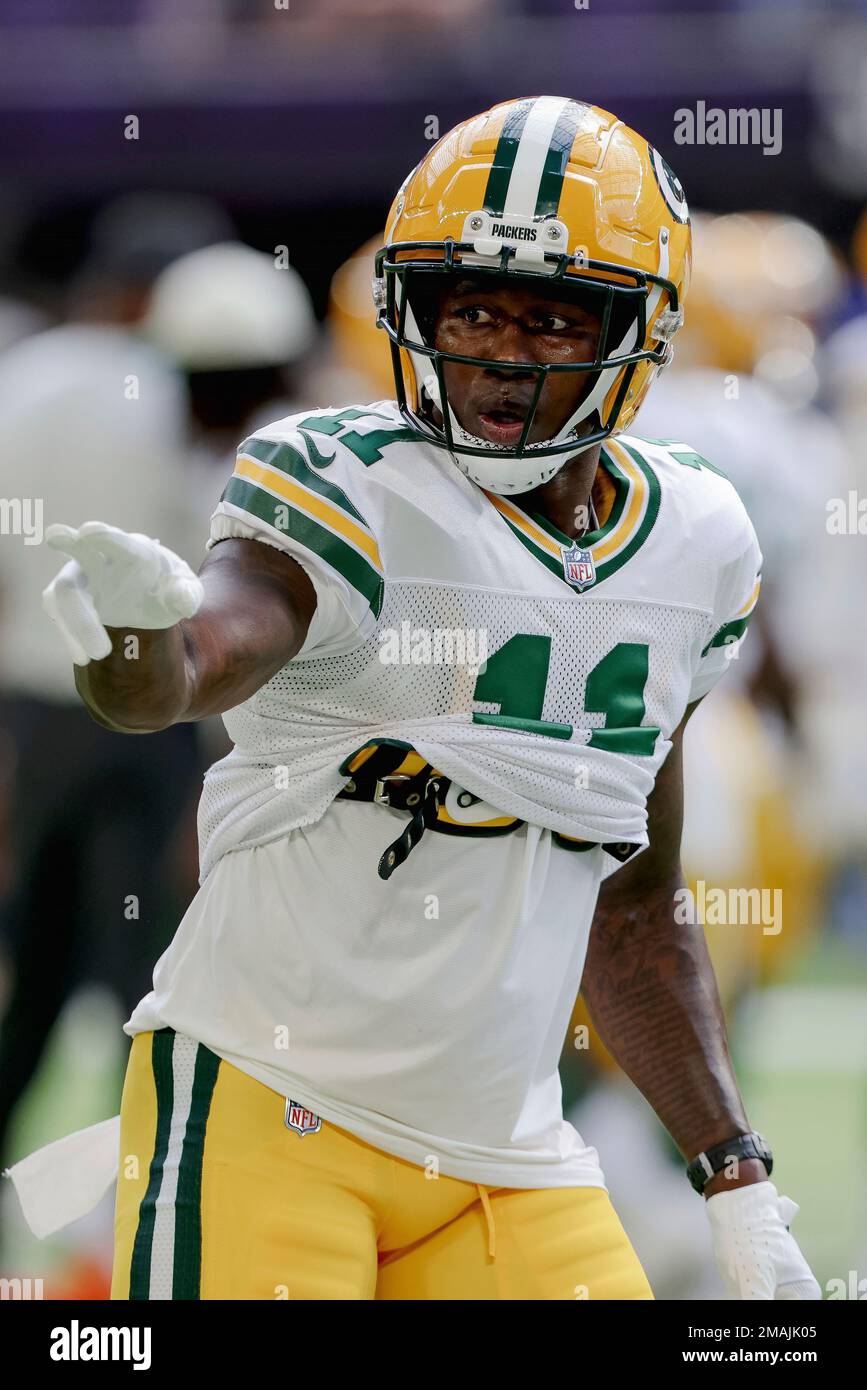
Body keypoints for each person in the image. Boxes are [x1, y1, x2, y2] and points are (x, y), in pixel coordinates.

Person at [32, 96, 819, 1301]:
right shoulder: (347, 481)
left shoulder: (695, 541)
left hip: (505, 1151)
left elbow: (632, 897)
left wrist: (737, 1173)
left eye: (554, 320)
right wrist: (136, 645)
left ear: (638, 333)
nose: (501, 350)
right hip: (268, 1104)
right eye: (473, 308)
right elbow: (191, 664)